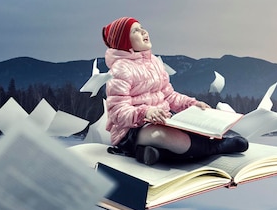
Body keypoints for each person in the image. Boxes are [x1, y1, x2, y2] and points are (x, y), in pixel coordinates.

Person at [102, 16, 248, 165]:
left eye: (142, 27)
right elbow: (117, 112)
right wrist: (145, 112)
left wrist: (191, 104)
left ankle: (156, 154)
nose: (143, 31)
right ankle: (216, 147)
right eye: (135, 31)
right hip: (130, 131)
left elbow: (169, 95)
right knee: (165, 136)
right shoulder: (120, 69)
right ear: (125, 42)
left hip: (162, 121)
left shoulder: (154, 62)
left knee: (186, 131)